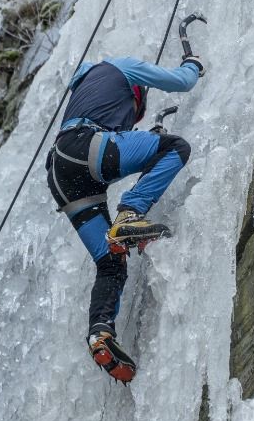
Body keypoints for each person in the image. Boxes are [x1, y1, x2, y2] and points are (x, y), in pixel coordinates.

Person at [46, 53, 204, 382]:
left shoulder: (86, 88)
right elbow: (184, 82)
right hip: (85, 148)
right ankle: (130, 212)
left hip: (61, 173)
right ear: (136, 93)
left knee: (111, 261)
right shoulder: (122, 67)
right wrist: (193, 64)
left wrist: (146, 138)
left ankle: (100, 334)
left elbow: (126, 146)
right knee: (174, 147)